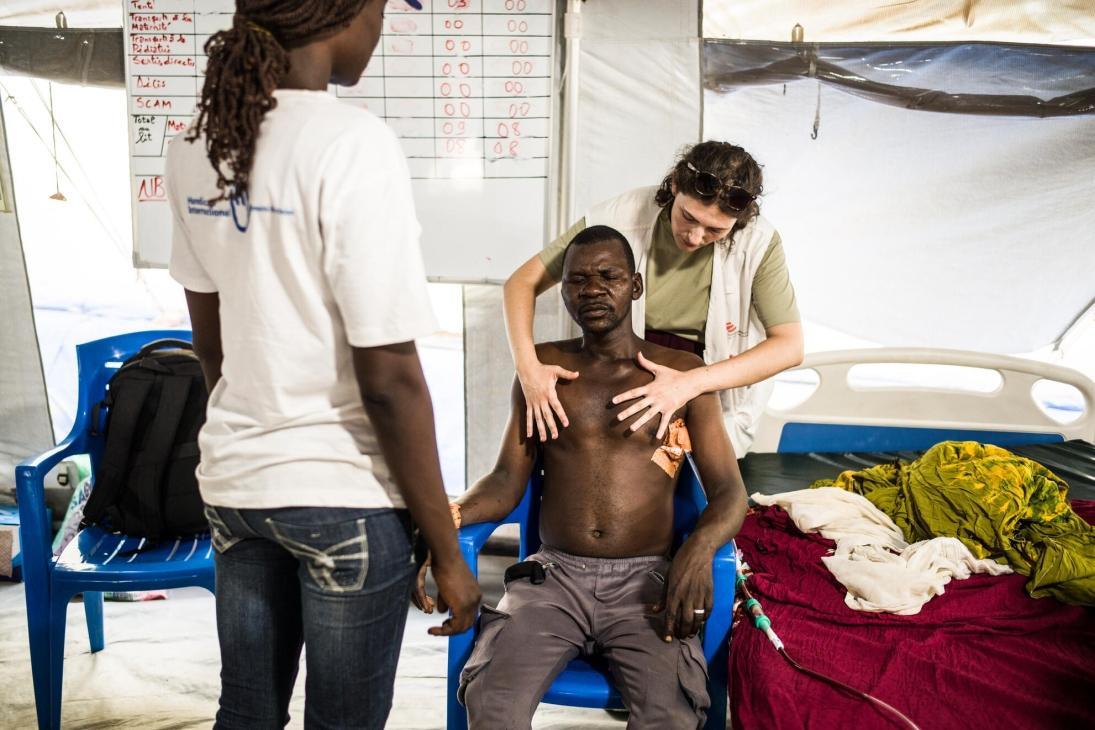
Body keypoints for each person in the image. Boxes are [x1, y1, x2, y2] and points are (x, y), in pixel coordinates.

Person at [163, 1, 480, 728]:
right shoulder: (352, 141)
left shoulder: (195, 140)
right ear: (343, 11)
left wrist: (255, 436)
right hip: (344, 497)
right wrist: (447, 550)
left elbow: (210, 343)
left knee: (245, 710)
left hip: (236, 489)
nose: (380, 27)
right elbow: (390, 380)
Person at [415, 226, 749, 729]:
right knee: (491, 702)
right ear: (563, 291)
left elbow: (729, 493)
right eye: (577, 281)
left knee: (672, 715)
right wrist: (451, 515)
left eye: (607, 276)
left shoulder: (680, 375)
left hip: (646, 583)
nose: (592, 290)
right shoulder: (544, 368)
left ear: (635, 286)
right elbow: (508, 479)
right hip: (553, 579)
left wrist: (698, 550)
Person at [504, 141, 804, 454]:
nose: (695, 236)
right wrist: (528, 371)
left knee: (702, 483)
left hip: (706, 379)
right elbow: (521, 283)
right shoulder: (619, 216)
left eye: (715, 230)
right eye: (688, 216)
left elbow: (789, 346)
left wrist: (690, 383)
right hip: (627, 366)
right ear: (675, 183)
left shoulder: (759, 242)